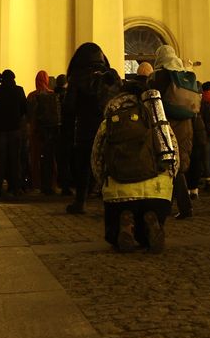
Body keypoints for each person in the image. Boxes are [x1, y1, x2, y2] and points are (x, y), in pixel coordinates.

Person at [91, 73, 177, 253]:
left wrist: (102, 183)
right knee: (147, 236)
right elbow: (172, 149)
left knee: (113, 236)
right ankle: (150, 219)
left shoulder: (109, 121)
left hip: (118, 190)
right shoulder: (155, 117)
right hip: (157, 191)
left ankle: (126, 222)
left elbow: (96, 157)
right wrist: (170, 179)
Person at [63, 42, 120, 214]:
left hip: (85, 129)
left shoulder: (76, 77)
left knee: (83, 166)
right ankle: (114, 202)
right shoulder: (111, 75)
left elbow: (69, 108)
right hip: (110, 127)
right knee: (110, 165)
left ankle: (80, 201)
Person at [149, 45, 197, 218]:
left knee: (167, 164)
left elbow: (152, 98)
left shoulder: (160, 75)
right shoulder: (185, 74)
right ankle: (181, 206)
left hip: (167, 122)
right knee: (180, 162)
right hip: (187, 123)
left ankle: (179, 206)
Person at [0, 69, 27, 198]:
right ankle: (15, 188)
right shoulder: (19, 90)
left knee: (0, 160)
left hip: (0, 129)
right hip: (14, 128)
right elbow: (24, 108)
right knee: (15, 159)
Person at [28, 69, 61, 195]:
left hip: (35, 131)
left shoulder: (32, 96)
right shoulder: (52, 94)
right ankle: (52, 183)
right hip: (50, 131)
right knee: (51, 158)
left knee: (35, 158)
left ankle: (36, 184)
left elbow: (29, 114)